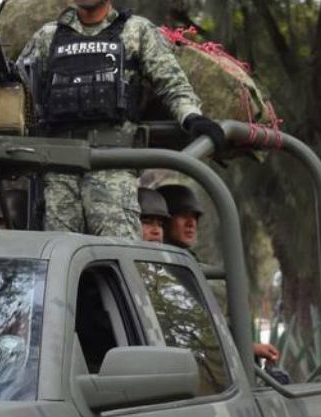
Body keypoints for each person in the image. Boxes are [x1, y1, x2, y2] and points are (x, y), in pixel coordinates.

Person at [18, 0, 223, 239]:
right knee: (57, 258)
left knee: (116, 256)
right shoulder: (48, 36)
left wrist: (192, 118)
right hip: (60, 169)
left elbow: (172, 83)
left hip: (113, 165)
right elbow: (19, 90)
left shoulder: (136, 30)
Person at [158, 183, 281, 363]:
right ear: (165, 220)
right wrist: (248, 348)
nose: (191, 224)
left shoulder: (191, 264)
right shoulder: (160, 268)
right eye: (183, 216)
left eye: (195, 217)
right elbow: (194, 331)